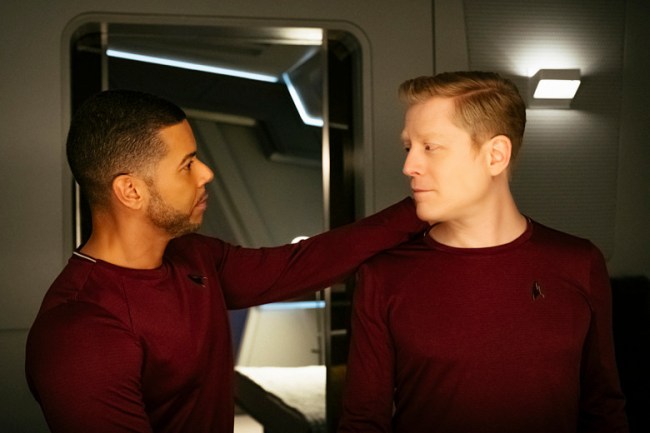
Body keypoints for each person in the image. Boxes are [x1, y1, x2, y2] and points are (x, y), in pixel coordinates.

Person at [25, 89, 428, 433]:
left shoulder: (195, 257)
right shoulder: (79, 331)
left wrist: (424, 205)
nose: (206, 173)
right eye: (187, 165)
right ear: (130, 191)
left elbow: (302, 264)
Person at [338, 71, 628, 432]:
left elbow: (604, 410)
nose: (409, 166)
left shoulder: (580, 263)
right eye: (408, 147)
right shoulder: (383, 276)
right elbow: (363, 422)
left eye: (430, 147)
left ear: (495, 156)